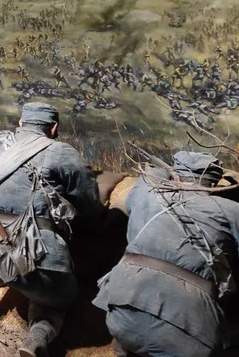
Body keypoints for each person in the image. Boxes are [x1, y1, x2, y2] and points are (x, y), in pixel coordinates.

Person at [0, 101, 103, 357]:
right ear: (53, 128)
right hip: (41, 257)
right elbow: (90, 206)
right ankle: (38, 336)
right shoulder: (62, 153)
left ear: (21, 123)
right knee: (56, 299)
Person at [93, 151, 239, 357]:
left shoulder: (147, 192)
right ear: (213, 183)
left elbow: (150, 176)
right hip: (189, 336)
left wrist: (165, 172)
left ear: (176, 175)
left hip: (122, 314)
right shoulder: (231, 210)